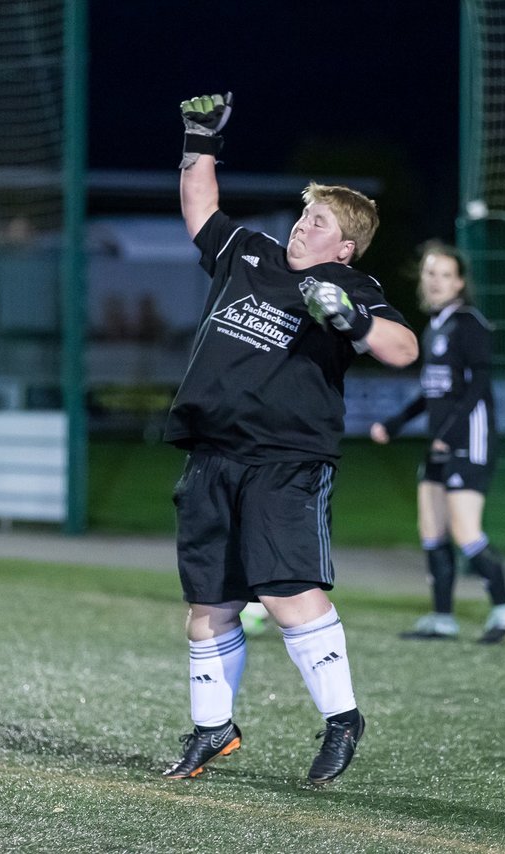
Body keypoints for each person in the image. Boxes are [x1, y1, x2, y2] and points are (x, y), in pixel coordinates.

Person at [161, 93, 419, 784]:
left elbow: (402, 347)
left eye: (321, 221)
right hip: (212, 455)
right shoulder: (250, 252)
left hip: (285, 463)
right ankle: (213, 730)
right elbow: (197, 205)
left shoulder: (349, 284)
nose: (305, 226)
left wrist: (352, 321)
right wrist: (200, 138)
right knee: (209, 606)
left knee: (284, 593)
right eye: (304, 214)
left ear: (345, 244)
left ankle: (342, 720)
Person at [369, 242, 505, 644]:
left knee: (465, 530)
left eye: (444, 275)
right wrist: (396, 423)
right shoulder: (436, 325)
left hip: (467, 441)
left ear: (459, 282)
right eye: (430, 273)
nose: (435, 281)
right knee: (431, 528)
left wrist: (449, 436)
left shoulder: (469, 323)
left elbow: (479, 385)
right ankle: (443, 618)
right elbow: (431, 391)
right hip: (441, 441)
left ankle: (504, 609)